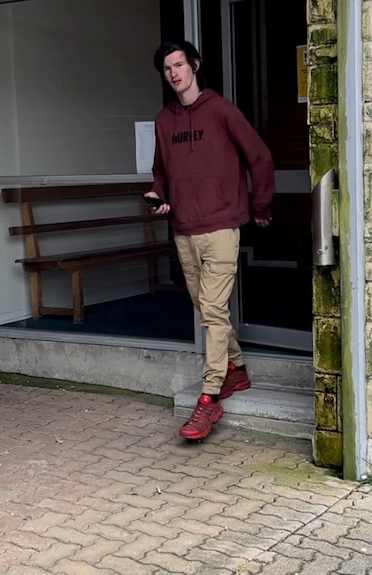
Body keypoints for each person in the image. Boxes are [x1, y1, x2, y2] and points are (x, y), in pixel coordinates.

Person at [146, 40, 275, 440]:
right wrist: (159, 198)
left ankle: (208, 399)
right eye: (167, 68)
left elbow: (260, 157)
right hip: (184, 229)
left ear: (195, 65)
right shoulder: (163, 121)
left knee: (214, 312)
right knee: (207, 309)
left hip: (220, 227)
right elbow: (160, 171)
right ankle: (235, 369)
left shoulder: (220, 110)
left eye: (179, 64)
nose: (174, 73)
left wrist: (261, 205)